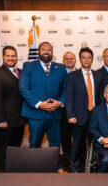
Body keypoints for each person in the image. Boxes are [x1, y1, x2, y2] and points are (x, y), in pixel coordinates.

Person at [19, 42, 67, 173]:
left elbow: (66, 89)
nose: (47, 52)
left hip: (55, 113)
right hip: (36, 114)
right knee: (34, 144)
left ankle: (57, 166)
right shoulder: (28, 66)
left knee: (55, 144)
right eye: (44, 49)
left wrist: (60, 102)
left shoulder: (61, 68)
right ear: (39, 52)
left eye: (49, 50)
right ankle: (34, 168)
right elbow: (23, 89)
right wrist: (40, 104)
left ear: (52, 52)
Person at [0, 46, 25, 171]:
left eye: (13, 55)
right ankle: (5, 173)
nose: (11, 58)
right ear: (3, 57)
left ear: (16, 57)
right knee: (4, 150)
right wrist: (0, 120)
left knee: (15, 148)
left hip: (20, 120)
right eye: (8, 55)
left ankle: (14, 171)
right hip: (6, 121)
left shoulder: (21, 72)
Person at [66, 47, 101, 172]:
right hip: (78, 116)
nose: (86, 60)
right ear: (80, 59)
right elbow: (69, 96)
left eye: (89, 58)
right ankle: (74, 167)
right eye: (84, 57)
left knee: (93, 143)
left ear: (92, 59)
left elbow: (100, 97)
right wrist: (70, 115)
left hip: (95, 116)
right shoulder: (72, 76)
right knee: (77, 143)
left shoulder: (98, 75)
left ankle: (91, 165)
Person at [61, 51, 77, 168]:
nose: (69, 60)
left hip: (78, 112)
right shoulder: (59, 74)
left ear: (75, 60)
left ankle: (79, 160)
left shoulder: (82, 73)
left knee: (78, 139)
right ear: (63, 61)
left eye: (71, 58)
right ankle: (68, 162)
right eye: (67, 59)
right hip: (62, 112)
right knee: (65, 138)